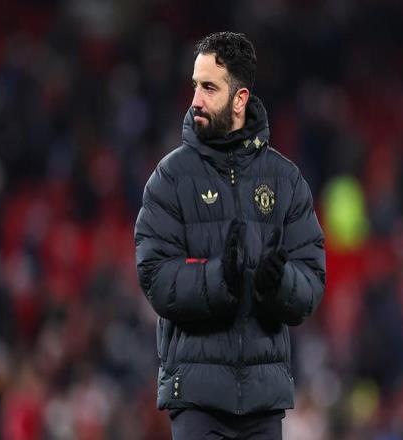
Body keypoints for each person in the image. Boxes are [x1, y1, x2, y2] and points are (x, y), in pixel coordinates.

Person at [134, 31, 325, 439]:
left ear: (240, 99)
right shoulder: (170, 179)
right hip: (198, 402)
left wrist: (278, 283)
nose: (195, 100)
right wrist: (220, 277)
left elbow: (311, 283)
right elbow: (155, 277)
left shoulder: (286, 181)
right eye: (195, 86)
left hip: (263, 403)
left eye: (209, 88)